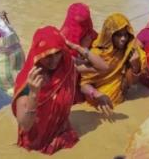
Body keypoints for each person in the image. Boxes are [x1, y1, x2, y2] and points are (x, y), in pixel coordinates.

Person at [12, 25, 110, 155]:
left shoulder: (66, 64)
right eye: (48, 56)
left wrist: (77, 47)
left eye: (58, 53)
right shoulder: (29, 80)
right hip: (37, 140)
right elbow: (25, 126)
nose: (54, 60)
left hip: (61, 130)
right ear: (38, 53)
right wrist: (34, 94)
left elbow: (103, 67)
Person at [80, 13, 147, 115]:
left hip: (123, 96)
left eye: (125, 34)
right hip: (100, 102)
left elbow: (134, 83)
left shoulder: (129, 50)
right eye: (119, 35)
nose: (123, 39)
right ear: (109, 35)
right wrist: (97, 94)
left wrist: (136, 64)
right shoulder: (97, 53)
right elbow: (84, 84)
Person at [60, 2, 100, 103]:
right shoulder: (62, 39)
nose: (79, 28)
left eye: (84, 23)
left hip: (86, 79)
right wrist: (82, 48)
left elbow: (102, 64)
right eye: (77, 23)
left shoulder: (91, 35)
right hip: (68, 84)